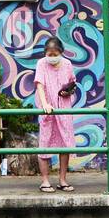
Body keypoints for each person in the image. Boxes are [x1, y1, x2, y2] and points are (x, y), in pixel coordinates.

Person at [34, 36, 78, 193]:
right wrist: (45, 104)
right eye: (49, 54)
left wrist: (69, 90)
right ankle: (45, 181)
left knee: (64, 144)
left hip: (64, 107)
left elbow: (73, 83)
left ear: (61, 52)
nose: (52, 57)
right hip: (47, 108)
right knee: (45, 143)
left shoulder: (67, 64)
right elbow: (39, 84)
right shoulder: (41, 64)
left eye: (55, 54)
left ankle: (62, 180)